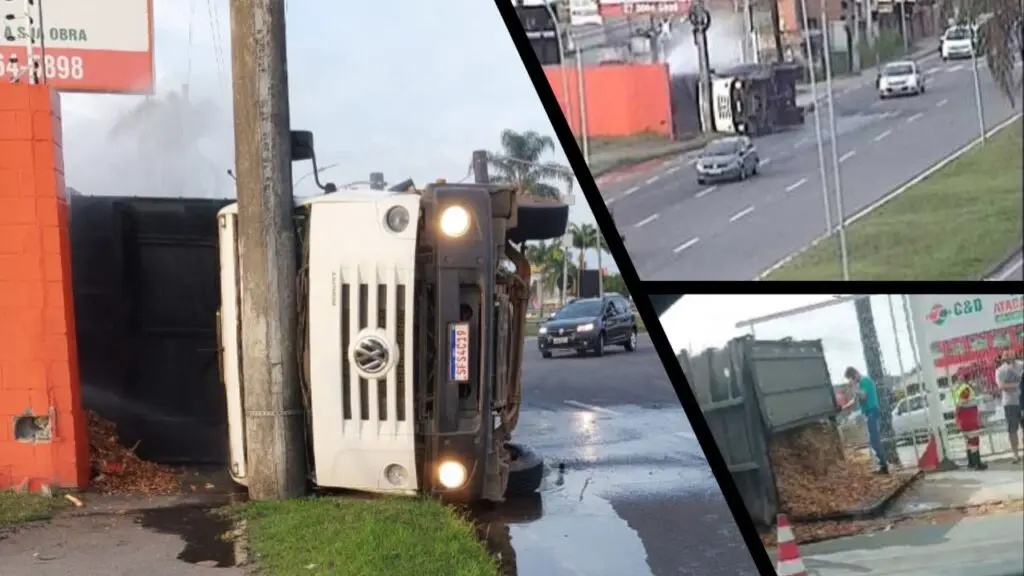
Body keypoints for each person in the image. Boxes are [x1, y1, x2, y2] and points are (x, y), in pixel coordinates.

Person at [844, 367, 889, 474]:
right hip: (868, 413)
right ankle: (882, 464)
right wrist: (844, 407)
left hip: (872, 411)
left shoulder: (865, 381)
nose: (852, 381)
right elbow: (855, 400)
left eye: (851, 379)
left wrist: (854, 387)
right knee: (873, 439)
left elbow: (863, 396)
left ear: (854, 375)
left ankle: (883, 465)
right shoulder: (861, 384)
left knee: (874, 440)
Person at [952, 378, 988, 470]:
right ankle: (977, 463)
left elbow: (958, 404)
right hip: (969, 416)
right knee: (974, 440)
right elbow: (962, 402)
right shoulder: (965, 388)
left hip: (963, 418)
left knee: (968, 441)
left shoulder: (957, 389)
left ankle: (971, 462)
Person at [994, 351, 1023, 464]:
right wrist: (1018, 385)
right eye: (1006, 355)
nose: (1008, 357)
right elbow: (1002, 386)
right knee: (1012, 430)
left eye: (1010, 354)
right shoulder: (1000, 370)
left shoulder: (1021, 365)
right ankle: (1015, 455)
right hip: (1010, 404)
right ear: (1002, 358)